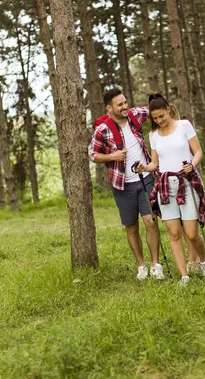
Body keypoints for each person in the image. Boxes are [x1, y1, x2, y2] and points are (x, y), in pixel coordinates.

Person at [134, 93, 205, 286]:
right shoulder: (153, 135)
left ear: (168, 109)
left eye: (161, 116)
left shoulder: (184, 125)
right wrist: (144, 168)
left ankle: (203, 262)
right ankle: (184, 275)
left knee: (192, 233)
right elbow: (155, 163)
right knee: (174, 233)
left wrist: (192, 165)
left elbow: (198, 152)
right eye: (155, 118)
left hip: (186, 182)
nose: (159, 121)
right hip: (165, 186)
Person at [89, 88, 165, 280]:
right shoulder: (102, 129)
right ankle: (142, 265)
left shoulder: (135, 115)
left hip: (145, 179)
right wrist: (112, 156)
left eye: (125, 102)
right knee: (131, 227)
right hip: (122, 185)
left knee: (150, 221)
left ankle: (156, 264)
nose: (125, 107)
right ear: (109, 108)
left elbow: (159, 111)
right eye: (120, 104)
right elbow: (93, 155)